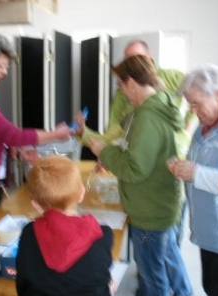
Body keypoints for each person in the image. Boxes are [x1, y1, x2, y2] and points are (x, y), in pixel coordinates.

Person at [88, 55, 192, 296]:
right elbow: (141, 153)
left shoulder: (147, 116)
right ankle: (185, 293)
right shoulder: (156, 107)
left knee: (151, 274)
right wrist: (112, 153)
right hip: (161, 204)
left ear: (132, 83)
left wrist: (104, 151)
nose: (121, 92)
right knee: (165, 255)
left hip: (150, 211)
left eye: (121, 85)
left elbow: (135, 169)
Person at [76, 39, 193, 245]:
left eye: (137, 59)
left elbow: (134, 168)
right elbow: (114, 133)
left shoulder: (155, 103)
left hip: (159, 196)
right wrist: (86, 134)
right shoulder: (132, 99)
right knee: (164, 257)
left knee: (161, 254)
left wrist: (188, 126)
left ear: (150, 61)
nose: (122, 86)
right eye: (129, 59)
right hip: (153, 195)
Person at [0, 31, 72, 222]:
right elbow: (10, 134)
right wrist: (54, 134)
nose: (5, 72)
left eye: (6, 66)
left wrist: (19, 153)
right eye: (0, 66)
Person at [167, 64, 218, 296]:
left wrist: (196, 174)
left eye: (196, 104)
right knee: (211, 288)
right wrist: (182, 168)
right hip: (208, 233)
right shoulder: (205, 124)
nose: (193, 111)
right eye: (190, 104)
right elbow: (200, 162)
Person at [16, 155, 113, 296]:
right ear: (81, 193)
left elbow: (22, 284)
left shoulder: (29, 233)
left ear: (36, 204)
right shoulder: (102, 234)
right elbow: (100, 277)